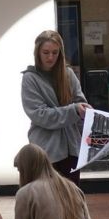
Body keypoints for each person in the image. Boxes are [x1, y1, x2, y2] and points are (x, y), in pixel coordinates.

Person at [21, 30, 90, 185]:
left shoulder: (68, 74)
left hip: (72, 149)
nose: (50, 57)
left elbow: (80, 104)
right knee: (47, 201)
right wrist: (74, 110)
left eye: (55, 52)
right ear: (37, 52)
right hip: (45, 151)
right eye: (46, 52)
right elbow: (40, 115)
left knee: (71, 200)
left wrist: (85, 112)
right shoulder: (29, 78)